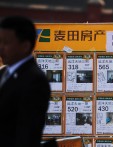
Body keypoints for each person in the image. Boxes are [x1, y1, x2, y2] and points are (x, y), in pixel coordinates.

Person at [0, 16, 51, 147]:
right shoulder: (4, 74)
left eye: (6, 43)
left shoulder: (34, 80)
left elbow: (27, 133)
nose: (1, 48)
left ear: (25, 46)